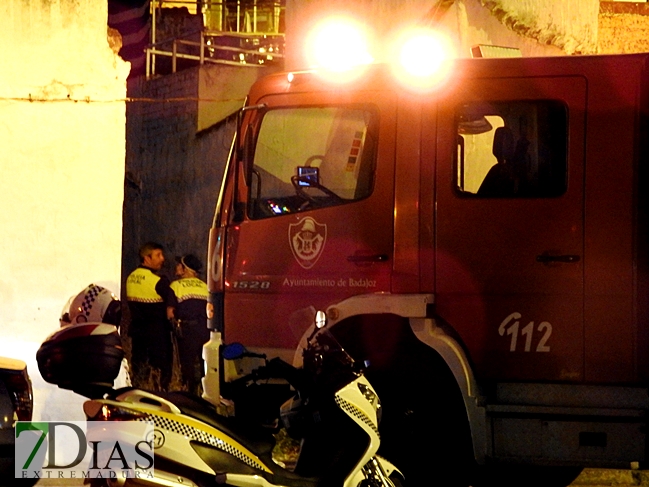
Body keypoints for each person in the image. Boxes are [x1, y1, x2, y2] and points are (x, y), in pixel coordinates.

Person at [126, 242, 174, 390]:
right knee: (161, 370)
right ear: (146, 258)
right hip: (157, 335)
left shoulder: (130, 278)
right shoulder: (158, 281)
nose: (162, 259)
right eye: (158, 255)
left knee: (139, 368)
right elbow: (172, 301)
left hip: (138, 332)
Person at [167, 254, 209, 395]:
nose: (176, 267)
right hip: (205, 329)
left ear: (185, 269)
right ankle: (207, 394)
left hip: (187, 330)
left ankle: (189, 395)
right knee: (206, 364)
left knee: (187, 366)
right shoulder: (205, 286)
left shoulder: (176, 286)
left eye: (179, 265)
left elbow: (170, 313)